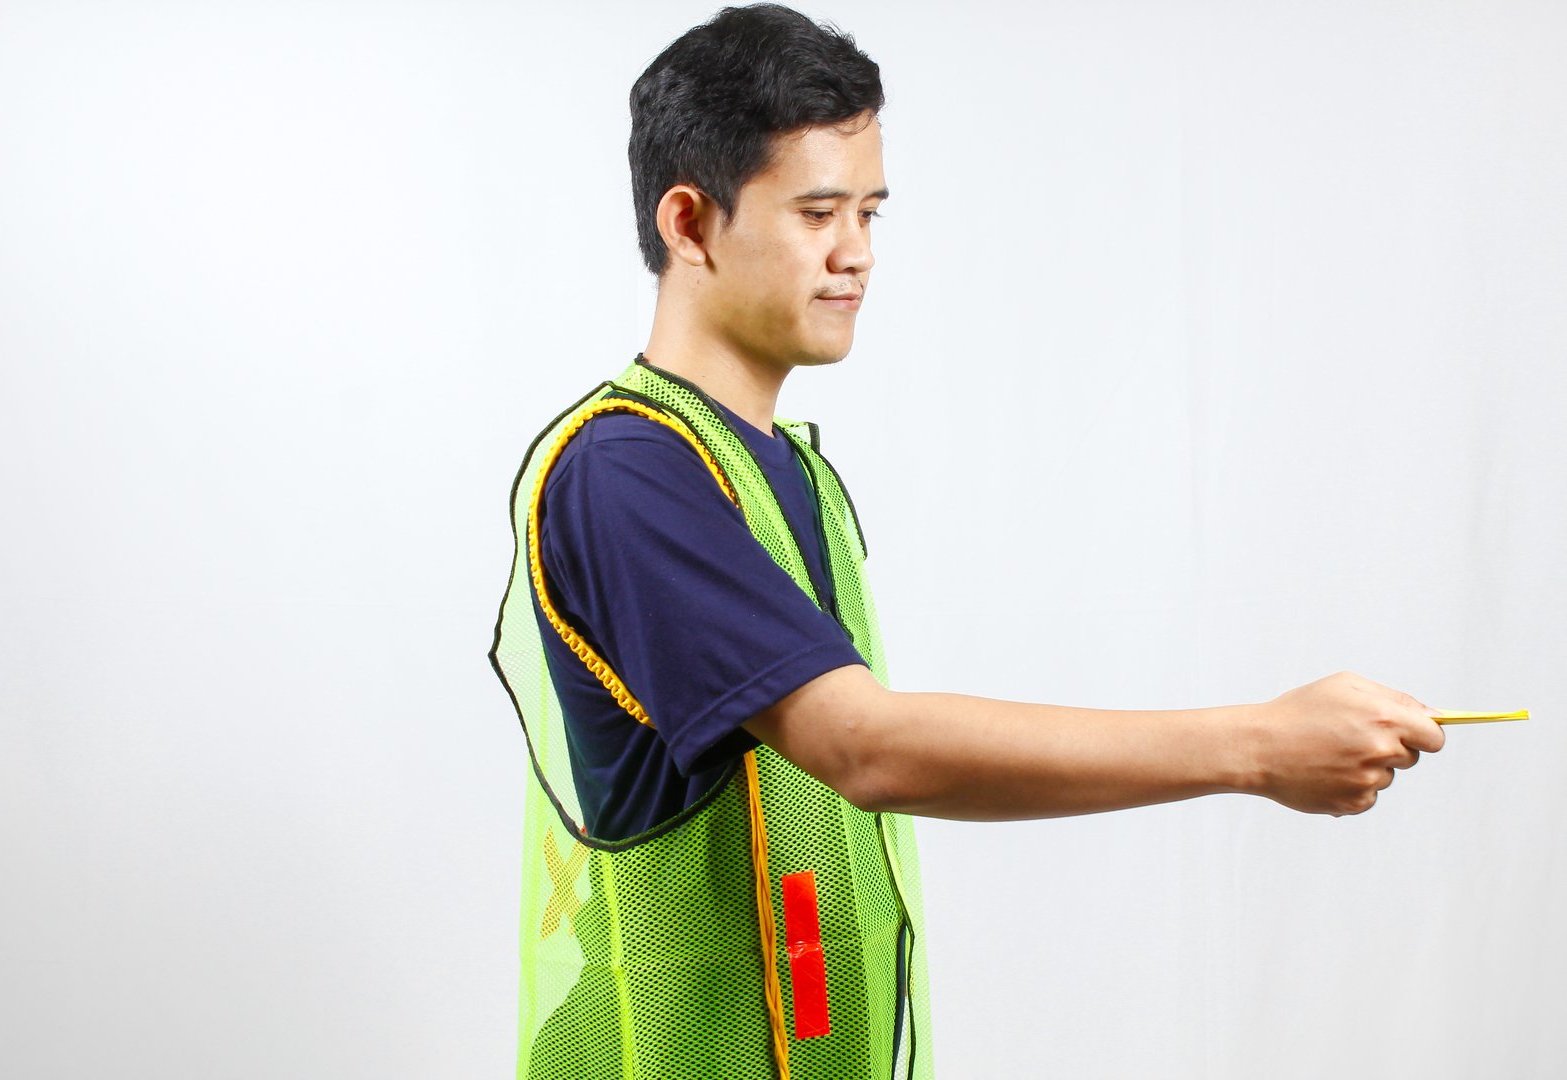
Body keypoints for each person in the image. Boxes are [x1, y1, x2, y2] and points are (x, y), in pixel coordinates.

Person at [489, 5, 1448, 1078]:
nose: (856, 255)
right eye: (817, 213)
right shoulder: (630, 476)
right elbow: (865, 746)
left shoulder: (779, 471)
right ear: (689, 222)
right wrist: (1257, 746)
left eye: (870, 214)